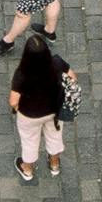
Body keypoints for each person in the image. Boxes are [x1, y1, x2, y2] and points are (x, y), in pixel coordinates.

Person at [7, 28, 68, 181]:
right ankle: (54, 164)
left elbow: (13, 101)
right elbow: (72, 78)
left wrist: (16, 108)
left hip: (29, 115)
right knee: (55, 136)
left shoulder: (21, 74)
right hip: (53, 110)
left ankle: (27, 170)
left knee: (29, 141)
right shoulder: (56, 63)